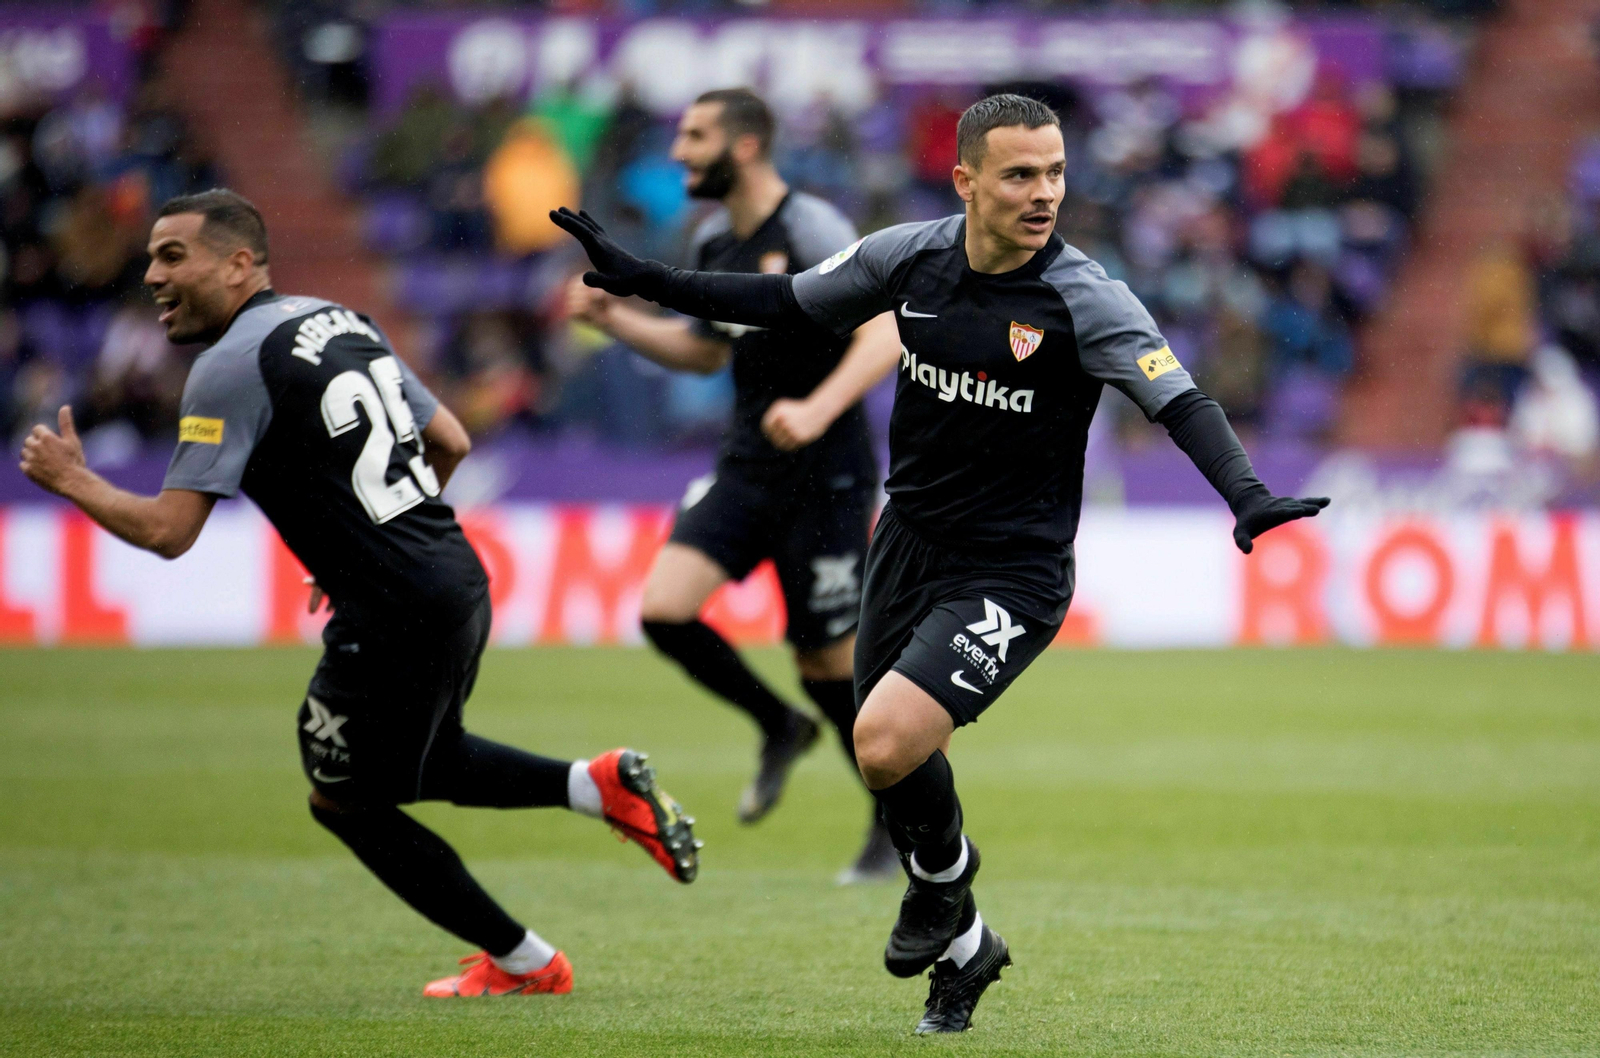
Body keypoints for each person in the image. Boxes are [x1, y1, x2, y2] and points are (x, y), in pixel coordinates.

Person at [549, 94, 1329, 1033]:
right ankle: (968, 951)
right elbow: (785, 303)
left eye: (1055, 173)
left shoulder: (1084, 296)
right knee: (894, 761)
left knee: (882, 738)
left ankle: (939, 885)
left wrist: (1246, 495)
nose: (1044, 194)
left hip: (1013, 572)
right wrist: (646, 279)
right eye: (1019, 174)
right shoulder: (908, 257)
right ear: (966, 180)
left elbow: (1179, 398)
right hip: (906, 546)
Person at [19, 189, 700, 999]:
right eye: (150, 258)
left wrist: (74, 480)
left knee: (343, 799)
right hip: (455, 576)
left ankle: (526, 964)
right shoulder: (338, 319)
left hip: (396, 608)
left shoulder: (229, 366)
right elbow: (450, 439)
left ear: (240, 264)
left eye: (173, 256)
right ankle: (596, 786)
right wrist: (372, 541)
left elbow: (170, 532)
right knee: (418, 760)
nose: (153, 275)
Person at [565, 88, 902, 882]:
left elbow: (883, 327)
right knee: (664, 610)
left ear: (745, 145)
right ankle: (776, 723)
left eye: (696, 135)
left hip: (828, 475)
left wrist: (818, 408)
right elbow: (708, 351)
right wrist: (618, 322)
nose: (679, 151)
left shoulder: (810, 227)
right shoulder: (714, 237)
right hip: (747, 463)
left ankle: (893, 818)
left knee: (827, 665)